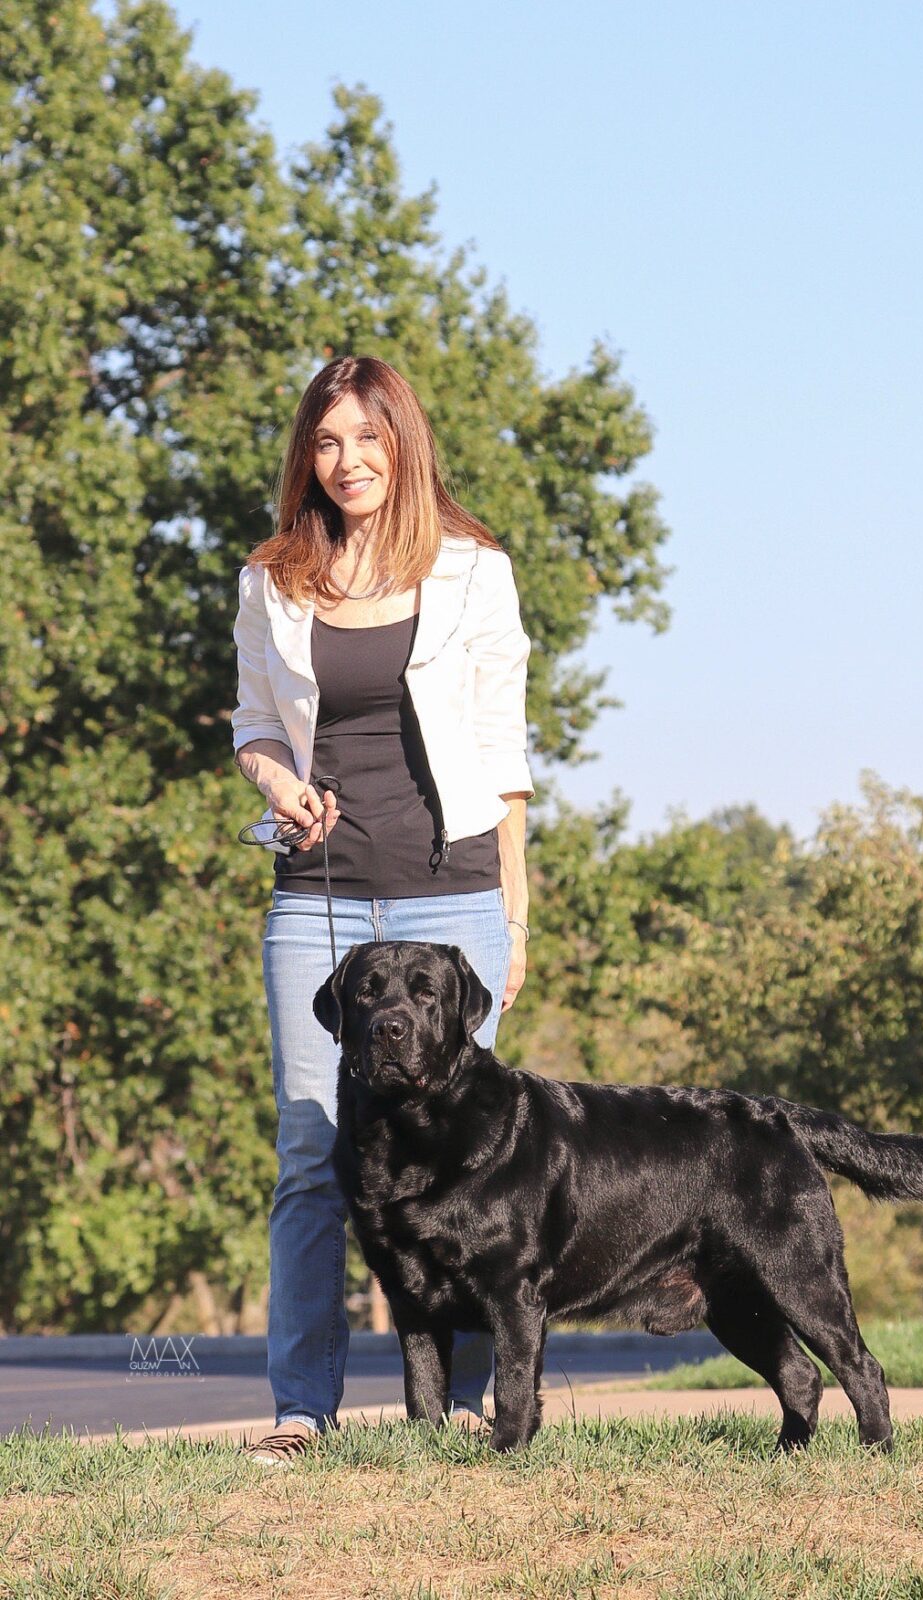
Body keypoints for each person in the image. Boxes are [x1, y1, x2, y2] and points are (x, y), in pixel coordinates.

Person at [230, 355, 534, 1464]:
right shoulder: (276, 577)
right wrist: (276, 782)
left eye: (366, 437)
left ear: (400, 441)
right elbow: (255, 723)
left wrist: (516, 908)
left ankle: (463, 1399)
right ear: (306, 457)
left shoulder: (472, 570)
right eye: (325, 442)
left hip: (452, 894)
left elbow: (504, 755)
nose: (347, 461)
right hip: (318, 895)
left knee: (470, 1159)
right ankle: (299, 1407)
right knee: (312, 1151)